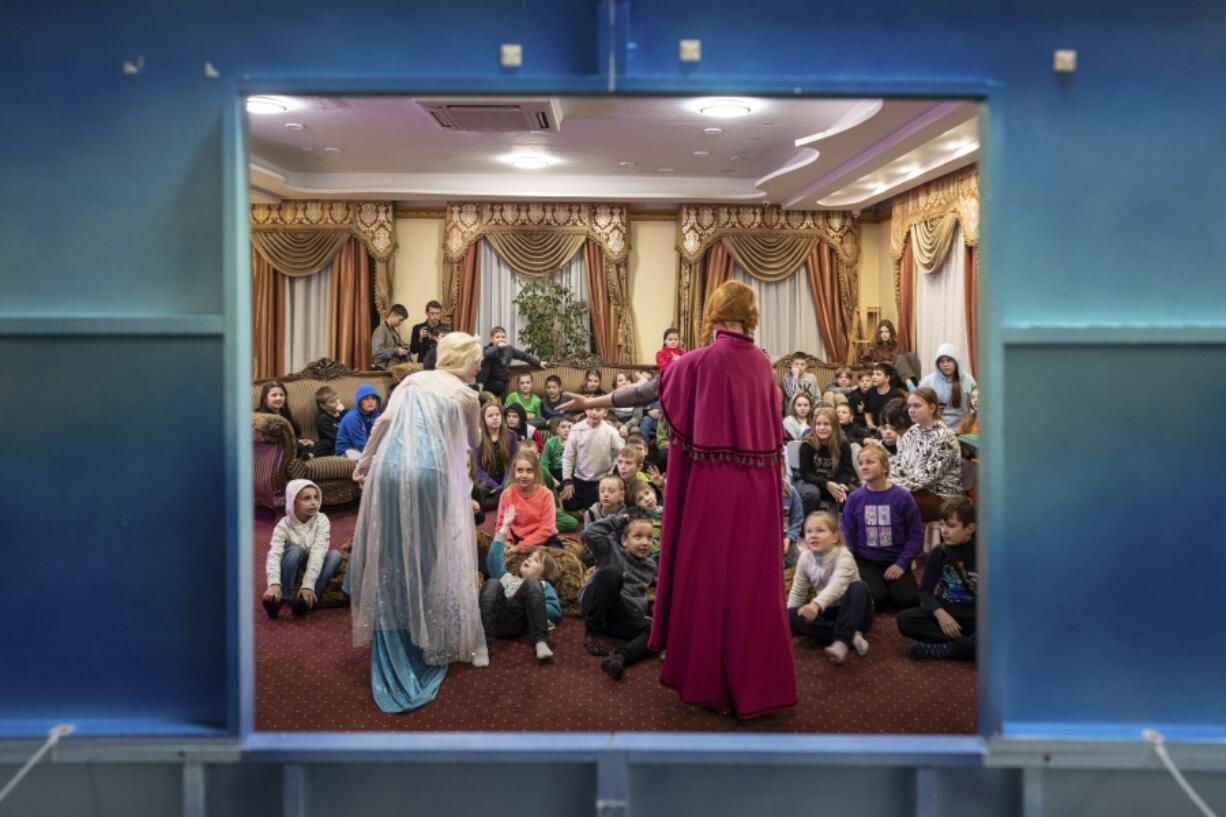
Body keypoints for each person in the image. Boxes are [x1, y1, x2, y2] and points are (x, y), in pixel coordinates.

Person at [558, 280, 796, 717]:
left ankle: (710, 680)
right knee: (749, 583)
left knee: (709, 579)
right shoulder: (764, 366)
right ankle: (753, 685)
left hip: (712, 491)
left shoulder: (698, 362)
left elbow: (645, 392)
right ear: (751, 315)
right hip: (756, 494)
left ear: (712, 312)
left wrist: (586, 401)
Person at [345, 331, 488, 714]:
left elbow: (382, 427)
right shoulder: (467, 396)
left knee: (389, 552)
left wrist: (363, 465)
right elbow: (472, 442)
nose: (480, 365)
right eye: (477, 359)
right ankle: (422, 633)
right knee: (426, 556)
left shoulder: (411, 380)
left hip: (389, 471)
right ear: (464, 360)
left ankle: (393, 625)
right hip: (430, 475)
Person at [579, 509, 659, 681]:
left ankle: (619, 659)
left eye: (649, 537)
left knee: (657, 631)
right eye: (638, 537)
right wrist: (618, 520)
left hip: (620, 615)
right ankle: (591, 634)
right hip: (596, 606)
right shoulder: (610, 549)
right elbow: (588, 533)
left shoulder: (651, 565)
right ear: (624, 540)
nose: (645, 542)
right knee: (613, 573)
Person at [841, 445, 923, 612]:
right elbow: (847, 534)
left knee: (908, 601)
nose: (863, 466)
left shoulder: (903, 497)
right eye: (861, 463)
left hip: (895, 558)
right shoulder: (855, 498)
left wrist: (901, 564)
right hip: (866, 560)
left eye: (870, 462)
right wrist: (851, 563)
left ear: (885, 467)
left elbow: (916, 535)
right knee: (876, 599)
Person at [897, 496, 978, 660]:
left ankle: (947, 649)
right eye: (941, 524)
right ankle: (967, 647)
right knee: (905, 620)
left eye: (951, 526)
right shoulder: (938, 552)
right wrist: (941, 614)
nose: (944, 530)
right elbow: (925, 591)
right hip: (946, 609)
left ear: (970, 528)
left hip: (976, 613)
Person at [787, 511, 873, 664]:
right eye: (809, 531)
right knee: (789, 614)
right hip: (828, 611)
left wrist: (815, 605)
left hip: (855, 611)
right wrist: (789, 617)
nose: (813, 535)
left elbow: (837, 586)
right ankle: (850, 636)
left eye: (820, 530)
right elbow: (798, 590)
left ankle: (841, 642)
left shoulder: (844, 555)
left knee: (859, 587)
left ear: (834, 537)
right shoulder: (805, 558)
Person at [481, 505, 563, 663]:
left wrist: (533, 605)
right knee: (492, 582)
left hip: (521, 621)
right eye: (530, 557)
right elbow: (493, 559)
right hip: (495, 619)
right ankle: (483, 645)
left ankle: (540, 642)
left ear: (544, 573)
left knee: (532, 583)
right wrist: (505, 527)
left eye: (536, 560)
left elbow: (555, 612)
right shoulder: (508, 578)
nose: (530, 559)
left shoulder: (543, 585)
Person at [262, 479, 341, 619]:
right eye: (306, 498)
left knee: (335, 555)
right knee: (294, 550)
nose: (313, 502)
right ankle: (282, 597)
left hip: (313, 560)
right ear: (293, 502)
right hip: (292, 561)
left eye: (316, 497)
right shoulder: (283, 524)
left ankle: (306, 600)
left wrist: (308, 584)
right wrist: (273, 583)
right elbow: (274, 553)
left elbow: (318, 552)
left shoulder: (322, 520)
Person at [886, 387, 963, 521]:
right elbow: (897, 464)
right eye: (909, 406)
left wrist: (893, 486)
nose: (911, 410)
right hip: (913, 489)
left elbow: (928, 477)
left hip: (941, 495)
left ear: (932, 408)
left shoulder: (945, 436)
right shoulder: (912, 432)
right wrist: (884, 481)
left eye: (917, 406)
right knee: (870, 494)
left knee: (891, 501)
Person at [559, 406, 624, 512]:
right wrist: (567, 481)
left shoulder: (611, 432)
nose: (594, 413)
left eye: (598, 409)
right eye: (590, 409)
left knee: (595, 508)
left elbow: (620, 454)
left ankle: (587, 510)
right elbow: (568, 456)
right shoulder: (576, 429)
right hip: (579, 477)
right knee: (568, 503)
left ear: (605, 412)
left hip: (600, 480)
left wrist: (612, 473)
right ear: (585, 410)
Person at [494, 449, 559, 550]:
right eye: (520, 470)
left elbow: (547, 529)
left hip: (544, 539)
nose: (524, 476)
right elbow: (501, 523)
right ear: (514, 472)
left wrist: (519, 548)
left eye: (529, 471)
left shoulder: (546, 495)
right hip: (516, 538)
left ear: (536, 473)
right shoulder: (507, 494)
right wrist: (508, 542)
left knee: (553, 560)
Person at [795, 407, 856, 515]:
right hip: (811, 483)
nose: (821, 428)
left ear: (834, 426)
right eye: (818, 424)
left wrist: (841, 485)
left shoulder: (843, 444)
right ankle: (804, 528)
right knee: (812, 494)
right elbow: (806, 473)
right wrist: (826, 484)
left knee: (854, 493)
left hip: (836, 483)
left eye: (826, 424)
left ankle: (846, 529)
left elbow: (847, 470)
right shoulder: (807, 445)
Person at [918, 343, 978, 429]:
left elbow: (977, 406)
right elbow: (918, 405)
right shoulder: (928, 381)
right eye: (941, 361)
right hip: (936, 429)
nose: (945, 364)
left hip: (963, 429)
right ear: (937, 364)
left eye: (949, 360)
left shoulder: (969, 380)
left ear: (956, 361)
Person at [480, 326, 544, 398]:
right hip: (488, 379)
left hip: (499, 381)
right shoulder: (489, 348)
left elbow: (523, 356)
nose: (501, 339)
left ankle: (485, 394)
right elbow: (486, 354)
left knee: (499, 386)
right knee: (486, 361)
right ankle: (480, 389)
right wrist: (498, 347)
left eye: (503, 337)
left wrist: (538, 363)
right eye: (497, 337)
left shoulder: (509, 349)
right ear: (491, 339)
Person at [472, 402, 519, 500]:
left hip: (508, 484)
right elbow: (476, 468)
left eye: (497, 415)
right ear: (483, 419)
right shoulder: (477, 438)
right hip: (486, 487)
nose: (495, 418)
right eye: (490, 416)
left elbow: (514, 462)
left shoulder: (511, 436)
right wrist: (493, 486)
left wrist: (504, 485)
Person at [256, 380, 314, 458]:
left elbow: (294, 433)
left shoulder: (285, 413)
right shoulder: (262, 416)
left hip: (295, 445)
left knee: (326, 444)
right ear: (265, 399)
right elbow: (274, 439)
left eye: (281, 395)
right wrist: (297, 442)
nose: (279, 398)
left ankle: (308, 455)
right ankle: (307, 454)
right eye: (274, 395)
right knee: (300, 447)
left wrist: (303, 440)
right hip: (279, 449)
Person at [335, 384, 383, 460]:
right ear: (359, 401)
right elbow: (360, 445)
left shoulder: (377, 415)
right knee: (374, 460)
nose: (370, 401)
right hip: (347, 450)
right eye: (366, 399)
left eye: (373, 398)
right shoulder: (352, 418)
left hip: (366, 448)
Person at [863, 363, 905, 431]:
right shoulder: (870, 392)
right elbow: (867, 412)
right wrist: (870, 425)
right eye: (873, 374)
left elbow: (900, 417)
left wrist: (885, 428)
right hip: (874, 429)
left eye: (878, 374)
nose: (874, 377)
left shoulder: (897, 395)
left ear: (887, 378)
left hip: (892, 429)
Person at [371, 304, 411, 370]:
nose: (401, 323)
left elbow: (399, 347)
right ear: (393, 315)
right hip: (383, 371)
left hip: (393, 369)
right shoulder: (381, 330)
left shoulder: (393, 331)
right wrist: (396, 351)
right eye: (400, 320)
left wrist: (404, 349)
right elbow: (376, 351)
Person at [541, 414, 573, 484]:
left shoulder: (578, 443)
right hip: (554, 473)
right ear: (558, 430)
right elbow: (543, 465)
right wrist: (552, 480)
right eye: (563, 427)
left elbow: (579, 466)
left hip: (571, 473)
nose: (567, 430)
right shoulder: (550, 443)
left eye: (570, 427)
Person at [312, 386, 344, 457]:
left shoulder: (343, 412)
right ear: (323, 406)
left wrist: (343, 413)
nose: (337, 402)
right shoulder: (323, 420)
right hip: (335, 449)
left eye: (337, 399)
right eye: (332, 401)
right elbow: (336, 439)